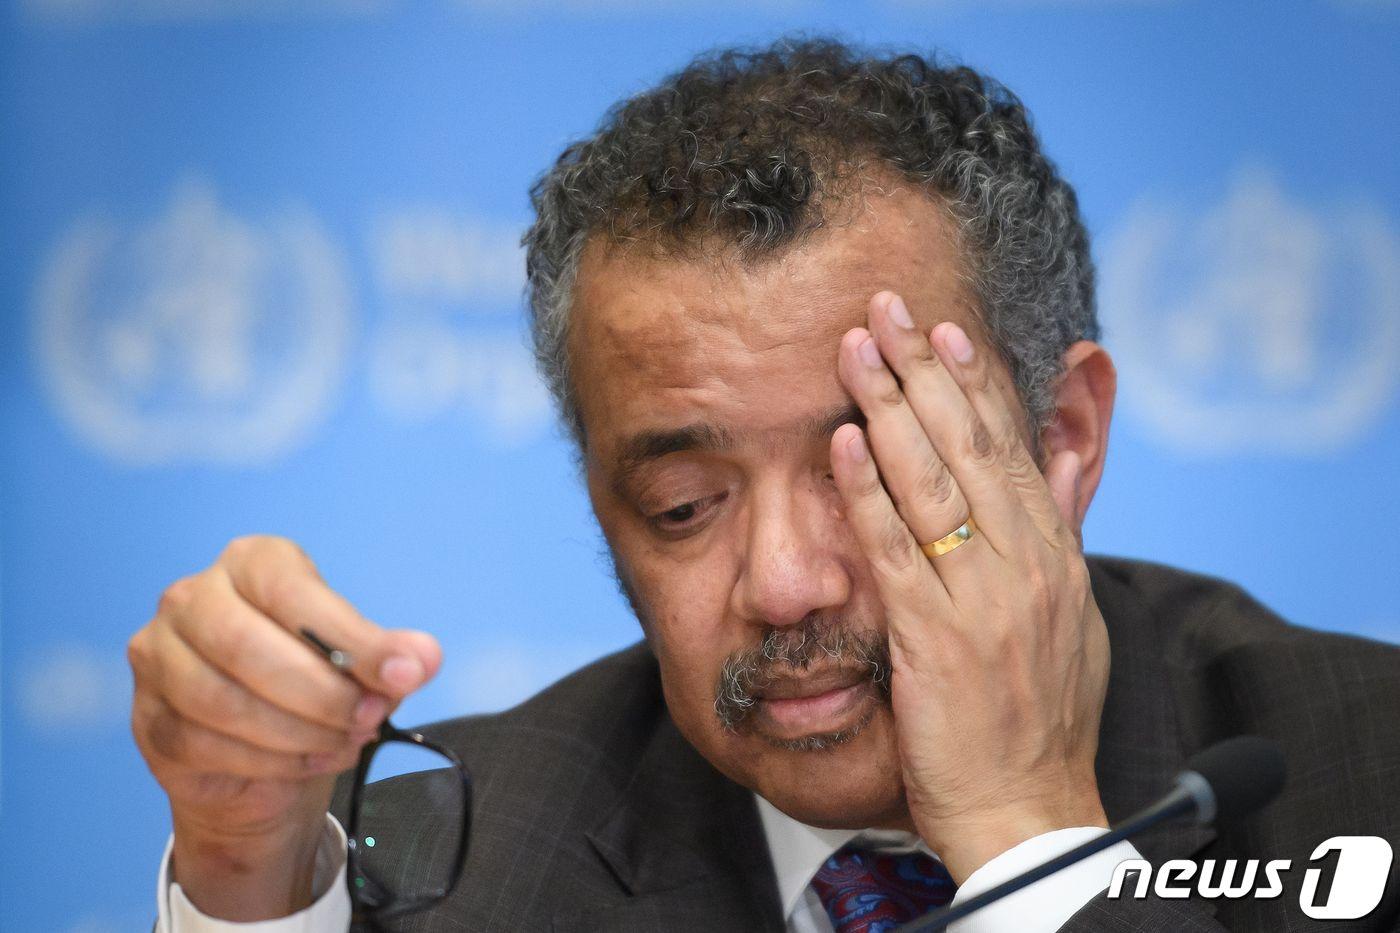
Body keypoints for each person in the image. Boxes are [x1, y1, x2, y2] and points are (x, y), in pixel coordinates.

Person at [129, 38, 1400, 932]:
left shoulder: (1367, 773)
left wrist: (1028, 834)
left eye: (869, 470)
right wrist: (247, 875)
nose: (784, 587)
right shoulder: (450, 866)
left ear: (1059, 438)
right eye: (683, 508)